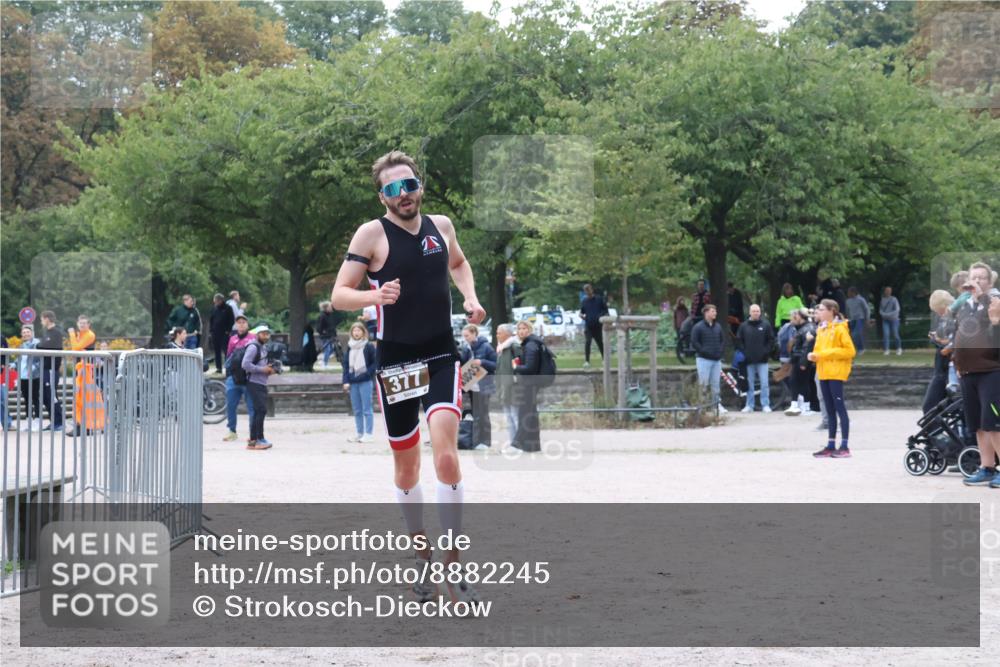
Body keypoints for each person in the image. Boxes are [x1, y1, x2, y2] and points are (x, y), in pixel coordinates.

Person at [331, 149, 486, 603]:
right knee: (407, 467)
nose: (404, 194)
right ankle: (422, 556)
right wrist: (374, 297)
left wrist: (471, 297)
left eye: (410, 184)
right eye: (394, 188)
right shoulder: (371, 234)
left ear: (420, 186)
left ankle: (453, 564)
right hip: (397, 361)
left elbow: (458, 263)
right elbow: (340, 294)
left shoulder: (443, 226)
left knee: (447, 456)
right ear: (382, 196)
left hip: (440, 354)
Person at [952, 262, 1000, 487]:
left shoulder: (994, 302)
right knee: (978, 424)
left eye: (982, 277)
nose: (977, 281)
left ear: (989, 282)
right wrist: (957, 361)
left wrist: (981, 296)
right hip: (968, 372)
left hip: (991, 371)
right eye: (974, 277)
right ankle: (986, 467)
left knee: (993, 423)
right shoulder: (965, 306)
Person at [808, 299, 856, 458]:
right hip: (823, 373)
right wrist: (814, 356)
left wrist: (823, 354)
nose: (819, 312)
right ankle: (830, 445)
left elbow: (850, 351)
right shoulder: (821, 329)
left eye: (822, 309)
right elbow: (819, 350)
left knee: (839, 408)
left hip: (836, 373)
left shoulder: (840, 329)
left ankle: (845, 446)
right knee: (829, 409)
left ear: (832, 311)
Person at [459, 324, 497, 450]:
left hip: (484, 385)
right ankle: (476, 441)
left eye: (467, 336)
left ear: (474, 333)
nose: (465, 338)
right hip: (471, 385)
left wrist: (482, 362)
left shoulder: (486, 346)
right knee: (475, 414)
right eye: (464, 336)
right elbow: (463, 363)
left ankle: (485, 442)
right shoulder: (466, 348)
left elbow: (496, 364)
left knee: (483, 414)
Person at [511, 320, 544, 452]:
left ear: (530, 330)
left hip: (529, 384)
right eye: (519, 329)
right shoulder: (532, 343)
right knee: (532, 415)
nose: (521, 331)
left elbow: (530, 367)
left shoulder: (530, 345)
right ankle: (533, 445)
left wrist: (516, 367)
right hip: (533, 383)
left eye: (524, 328)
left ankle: (517, 444)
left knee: (524, 414)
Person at [242, 324, 276, 451]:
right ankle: (256, 440)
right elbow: (245, 364)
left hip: (261, 382)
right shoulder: (253, 347)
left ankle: (256, 440)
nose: (266, 336)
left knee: (259, 411)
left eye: (267, 333)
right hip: (254, 382)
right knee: (260, 410)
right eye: (263, 333)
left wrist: (270, 369)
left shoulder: (263, 347)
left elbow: (262, 364)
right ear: (257, 335)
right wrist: (263, 369)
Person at [223, 315, 256, 442]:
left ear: (247, 324)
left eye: (243, 322)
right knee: (230, 405)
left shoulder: (253, 338)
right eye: (239, 322)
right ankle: (232, 431)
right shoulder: (232, 339)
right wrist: (228, 375)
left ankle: (253, 434)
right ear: (236, 325)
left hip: (248, 379)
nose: (241, 324)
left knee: (252, 407)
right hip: (233, 378)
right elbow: (228, 357)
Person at [736, 304, 774, 413]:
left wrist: (766, 352)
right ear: (749, 312)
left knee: (764, 383)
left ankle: (765, 405)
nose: (756, 313)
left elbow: (771, 340)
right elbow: (739, 341)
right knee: (749, 384)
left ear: (760, 312)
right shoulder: (743, 326)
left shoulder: (766, 325)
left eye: (757, 311)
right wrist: (745, 353)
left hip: (762, 360)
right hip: (748, 361)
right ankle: (749, 405)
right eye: (753, 311)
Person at [923, 289, 956, 414]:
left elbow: (953, 341)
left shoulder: (954, 317)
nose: (939, 314)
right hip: (942, 366)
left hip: (946, 366)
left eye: (939, 311)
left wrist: (938, 340)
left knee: (930, 406)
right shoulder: (946, 318)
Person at [343, 322, 376, 443]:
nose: (356, 333)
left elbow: (375, 363)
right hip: (353, 382)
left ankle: (368, 434)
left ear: (363, 332)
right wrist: (346, 380)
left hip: (365, 381)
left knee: (367, 409)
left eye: (358, 330)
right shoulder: (350, 346)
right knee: (357, 410)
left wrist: (367, 374)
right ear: (351, 333)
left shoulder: (369, 346)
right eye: (354, 331)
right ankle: (359, 433)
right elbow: (346, 365)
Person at [691, 304, 726, 413]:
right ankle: (703, 406)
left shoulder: (718, 326)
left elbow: (722, 340)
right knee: (704, 384)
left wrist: (720, 352)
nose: (715, 313)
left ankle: (716, 405)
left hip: (716, 361)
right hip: (703, 360)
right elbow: (694, 342)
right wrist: (704, 351)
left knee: (715, 385)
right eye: (712, 311)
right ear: (706, 312)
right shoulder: (698, 327)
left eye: (715, 311)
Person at [36, 311, 65, 431]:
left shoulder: (56, 333)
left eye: (42, 319)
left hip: (51, 369)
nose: (41, 322)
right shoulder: (47, 332)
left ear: (47, 319)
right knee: (45, 396)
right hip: (45, 368)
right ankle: (54, 421)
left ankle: (59, 422)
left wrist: (39, 346)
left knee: (51, 395)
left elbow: (43, 346)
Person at [494, 324, 520, 444]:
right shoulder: (501, 348)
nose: (497, 335)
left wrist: (515, 381)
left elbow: (518, 367)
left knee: (515, 416)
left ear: (508, 334)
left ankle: (519, 442)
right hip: (503, 387)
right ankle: (513, 442)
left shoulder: (514, 346)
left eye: (499, 333)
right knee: (509, 417)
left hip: (513, 387)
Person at [16, 325, 42, 430]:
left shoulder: (37, 344)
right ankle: (29, 422)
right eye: (24, 332)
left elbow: (40, 360)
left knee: (35, 398)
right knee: (26, 399)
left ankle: (38, 422)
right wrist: (13, 365)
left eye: (28, 332)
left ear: (32, 333)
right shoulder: (21, 346)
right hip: (23, 376)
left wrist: (33, 368)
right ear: (21, 334)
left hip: (34, 376)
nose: (26, 334)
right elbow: (20, 360)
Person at [579, 283, 608, 368]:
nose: (588, 292)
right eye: (586, 290)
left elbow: (605, 310)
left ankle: (604, 359)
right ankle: (587, 361)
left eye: (589, 290)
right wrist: (581, 315)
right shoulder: (584, 301)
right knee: (588, 342)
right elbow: (582, 311)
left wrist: (600, 317)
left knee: (600, 343)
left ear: (592, 290)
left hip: (598, 325)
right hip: (589, 325)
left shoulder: (599, 299)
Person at [209, 293, 235, 373]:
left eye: (216, 301)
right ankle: (218, 368)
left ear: (220, 300)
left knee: (226, 351)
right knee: (217, 351)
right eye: (214, 301)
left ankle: (228, 368)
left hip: (224, 333)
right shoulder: (214, 308)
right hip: (215, 333)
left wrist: (228, 330)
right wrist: (211, 330)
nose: (215, 303)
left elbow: (232, 320)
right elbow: (211, 320)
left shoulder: (228, 308)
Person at [845, 287, 870, 356]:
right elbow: (848, 311)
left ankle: (861, 348)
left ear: (853, 292)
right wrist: (848, 318)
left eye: (849, 292)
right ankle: (856, 348)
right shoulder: (848, 301)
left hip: (860, 318)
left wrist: (867, 319)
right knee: (852, 335)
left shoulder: (861, 299)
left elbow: (866, 309)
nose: (848, 294)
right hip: (852, 319)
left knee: (856, 334)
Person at [317, 301, 341, 368]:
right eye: (330, 307)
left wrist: (335, 334)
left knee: (332, 349)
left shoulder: (330, 315)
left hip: (331, 335)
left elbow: (332, 326)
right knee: (327, 349)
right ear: (326, 308)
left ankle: (322, 358)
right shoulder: (322, 316)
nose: (331, 308)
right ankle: (324, 364)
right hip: (325, 336)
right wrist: (323, 332)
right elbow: (319, 327)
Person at [879, 286, 902, 356]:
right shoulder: (882, 299)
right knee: (886, 334)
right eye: (887, 290)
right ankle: (886, 349)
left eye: (889, 290)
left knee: (895, 334)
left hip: (894, 320)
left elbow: (897, 309)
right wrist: (883, 314)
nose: (888, 292)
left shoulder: (894, 299)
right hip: (885, 320)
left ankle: (898, 348)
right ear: (884, 291)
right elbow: (880, 309)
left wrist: (888, 314)